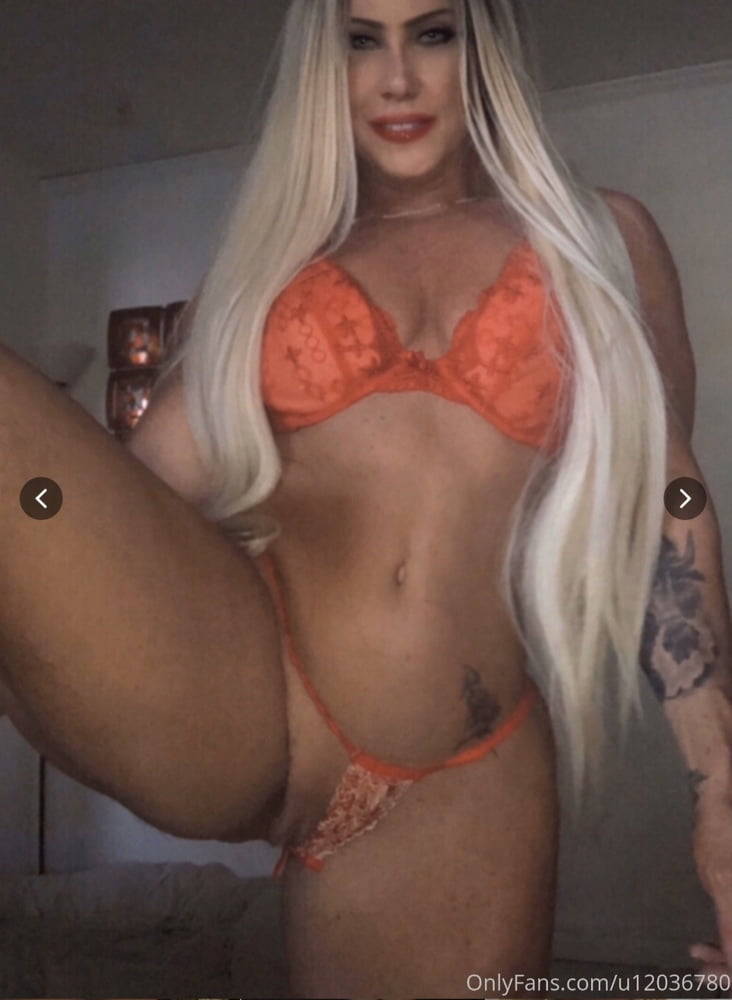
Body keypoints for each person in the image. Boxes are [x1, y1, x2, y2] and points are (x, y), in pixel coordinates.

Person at [1, 0, 732, 997]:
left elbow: (666, 496)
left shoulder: (599, 237)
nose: (396, 78)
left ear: (481, 50)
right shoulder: (266, 275)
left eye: (432, 34)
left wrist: (718, 785)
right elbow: (143, 503)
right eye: (360, 40)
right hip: (244, 700)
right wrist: (48, 519)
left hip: (460, 774)